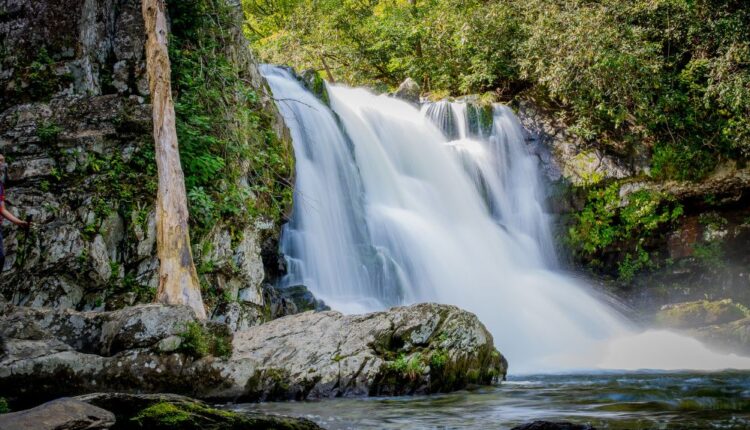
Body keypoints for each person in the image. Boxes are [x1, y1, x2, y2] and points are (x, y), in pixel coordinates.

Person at [0, 154, 30, 271]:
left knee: (0, 258)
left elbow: (1, 209)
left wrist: (19, 222)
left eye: (2, 161)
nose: (2, 164)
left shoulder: (0, 186)